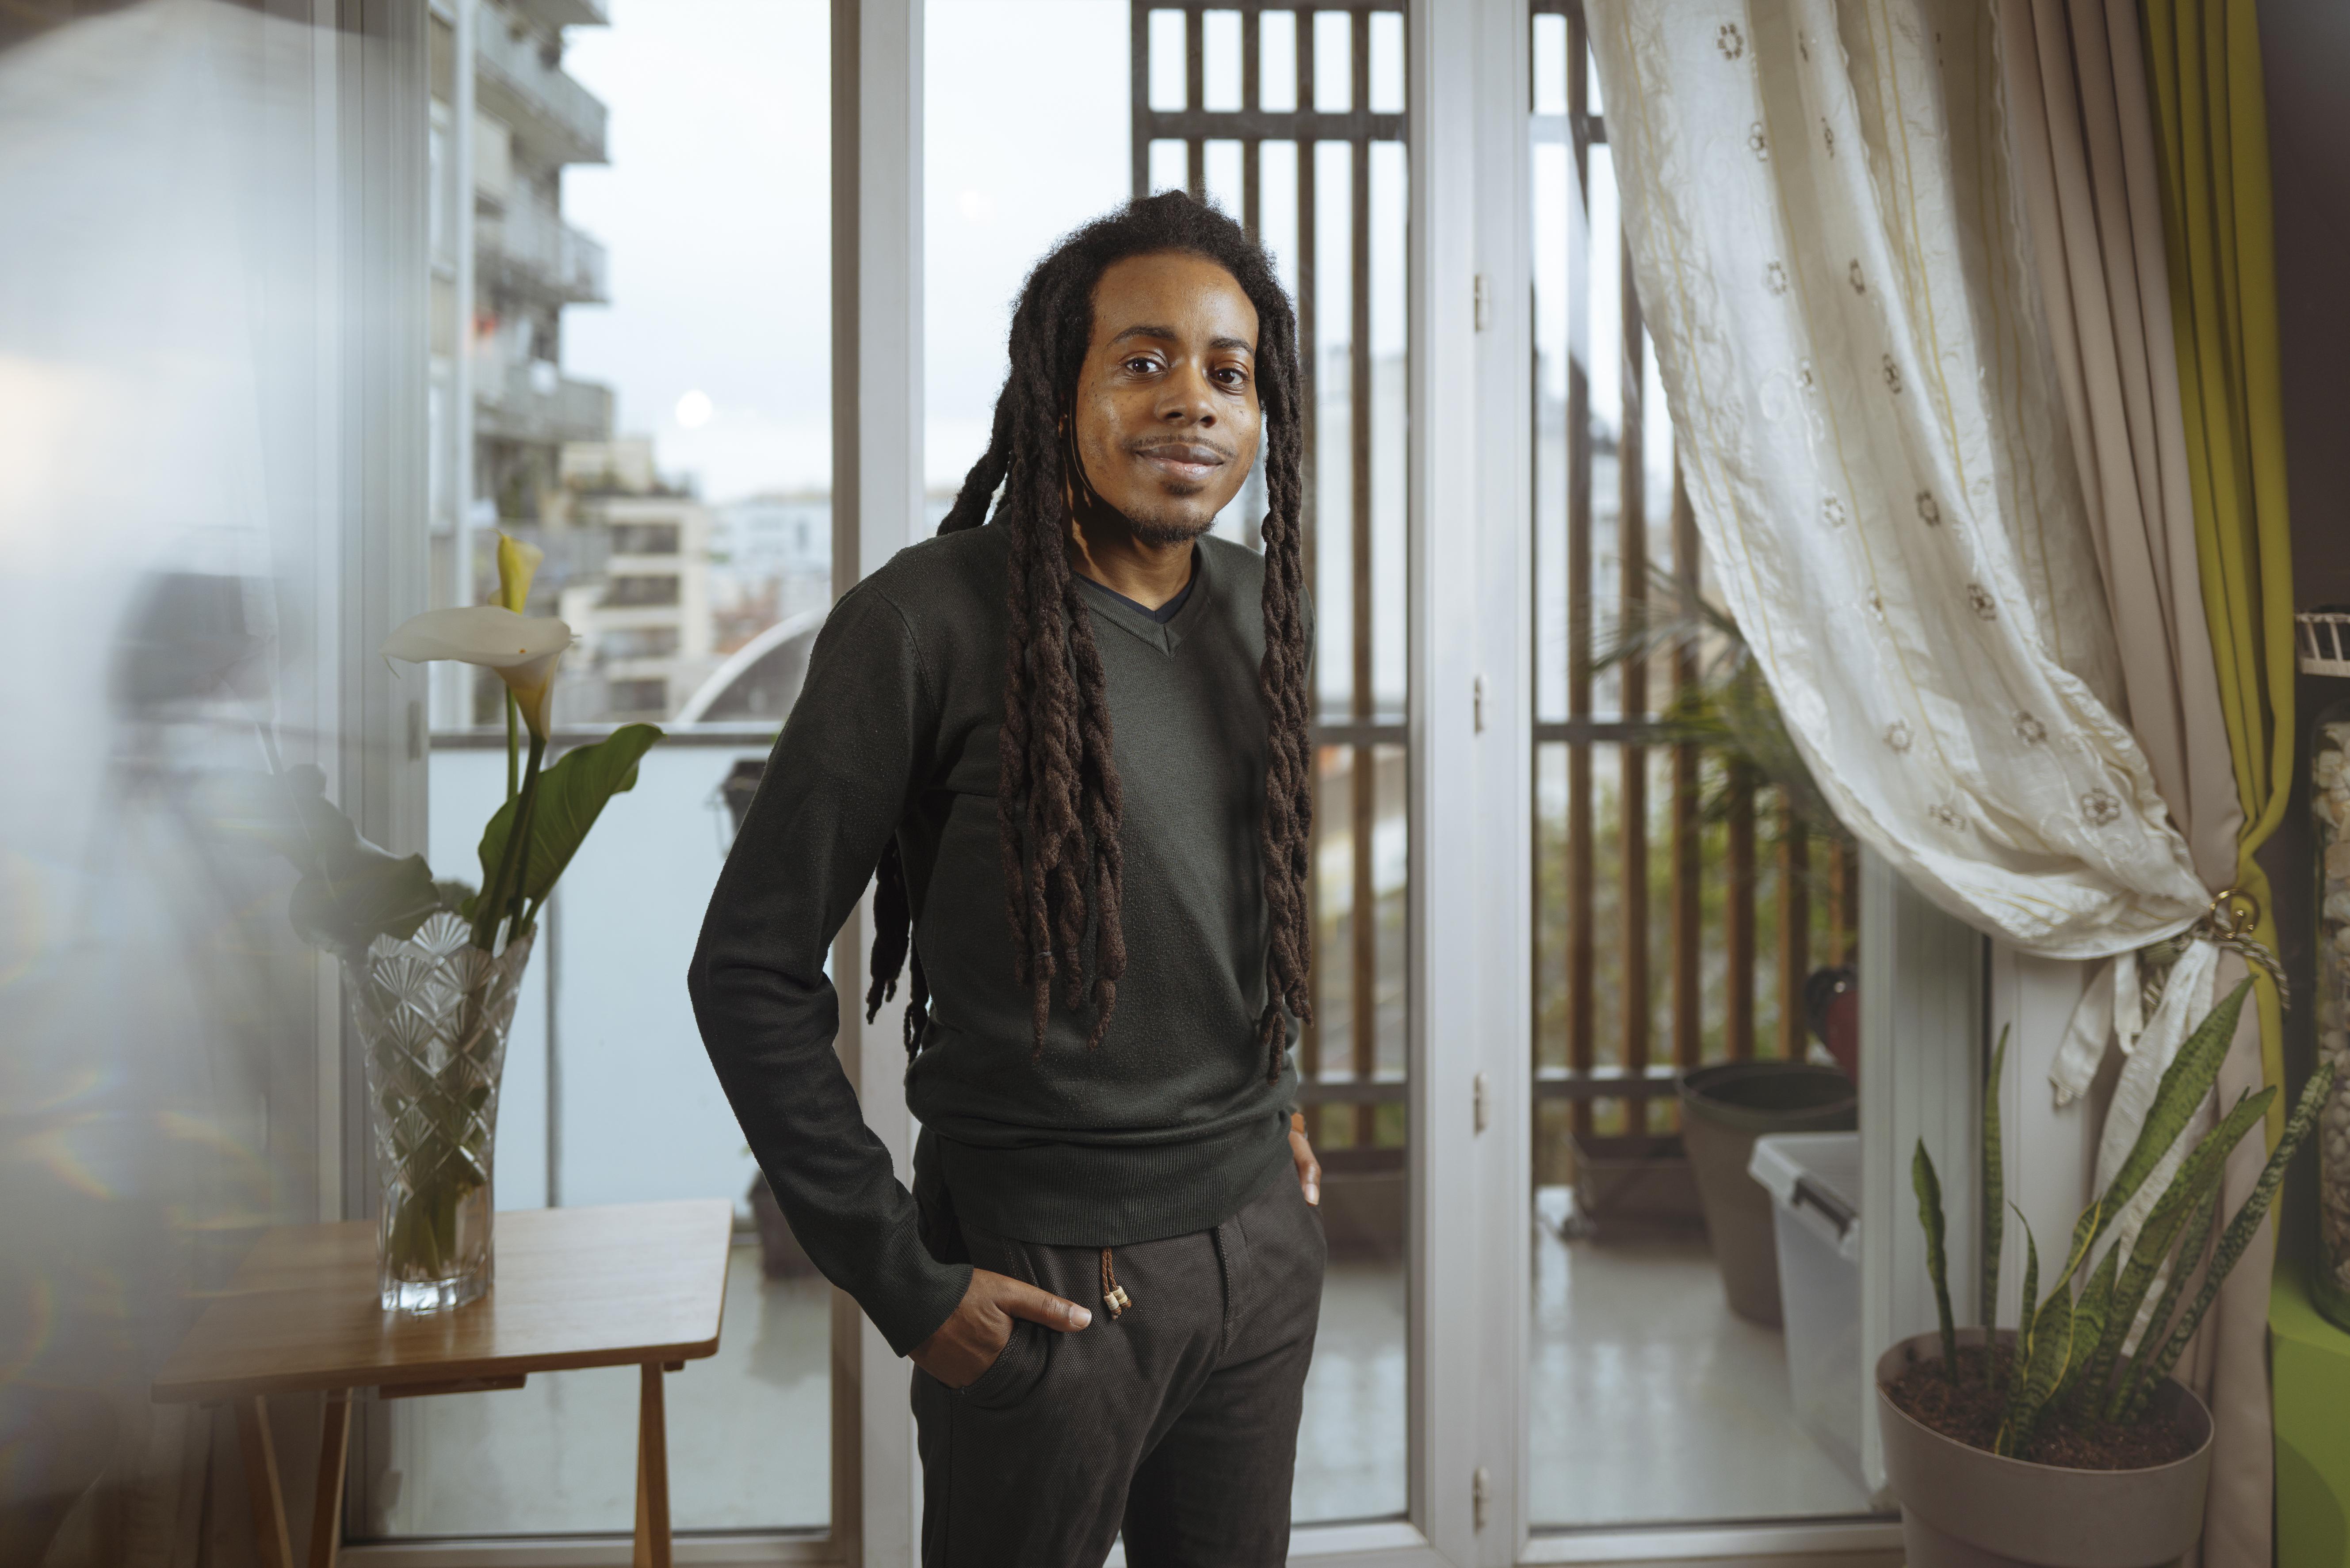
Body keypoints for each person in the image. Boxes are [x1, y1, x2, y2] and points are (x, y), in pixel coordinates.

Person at [689, 191, 1324, 1567]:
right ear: (1056, 389)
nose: (1193, 400)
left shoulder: (1257, 610)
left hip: (1261, 1254)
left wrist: (1271, 1103)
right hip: (1047, 1280)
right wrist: (903, 1280)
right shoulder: (921, 619)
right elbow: (745, 970)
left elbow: (1236, 897)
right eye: (1142, 360)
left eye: (1229, 372)